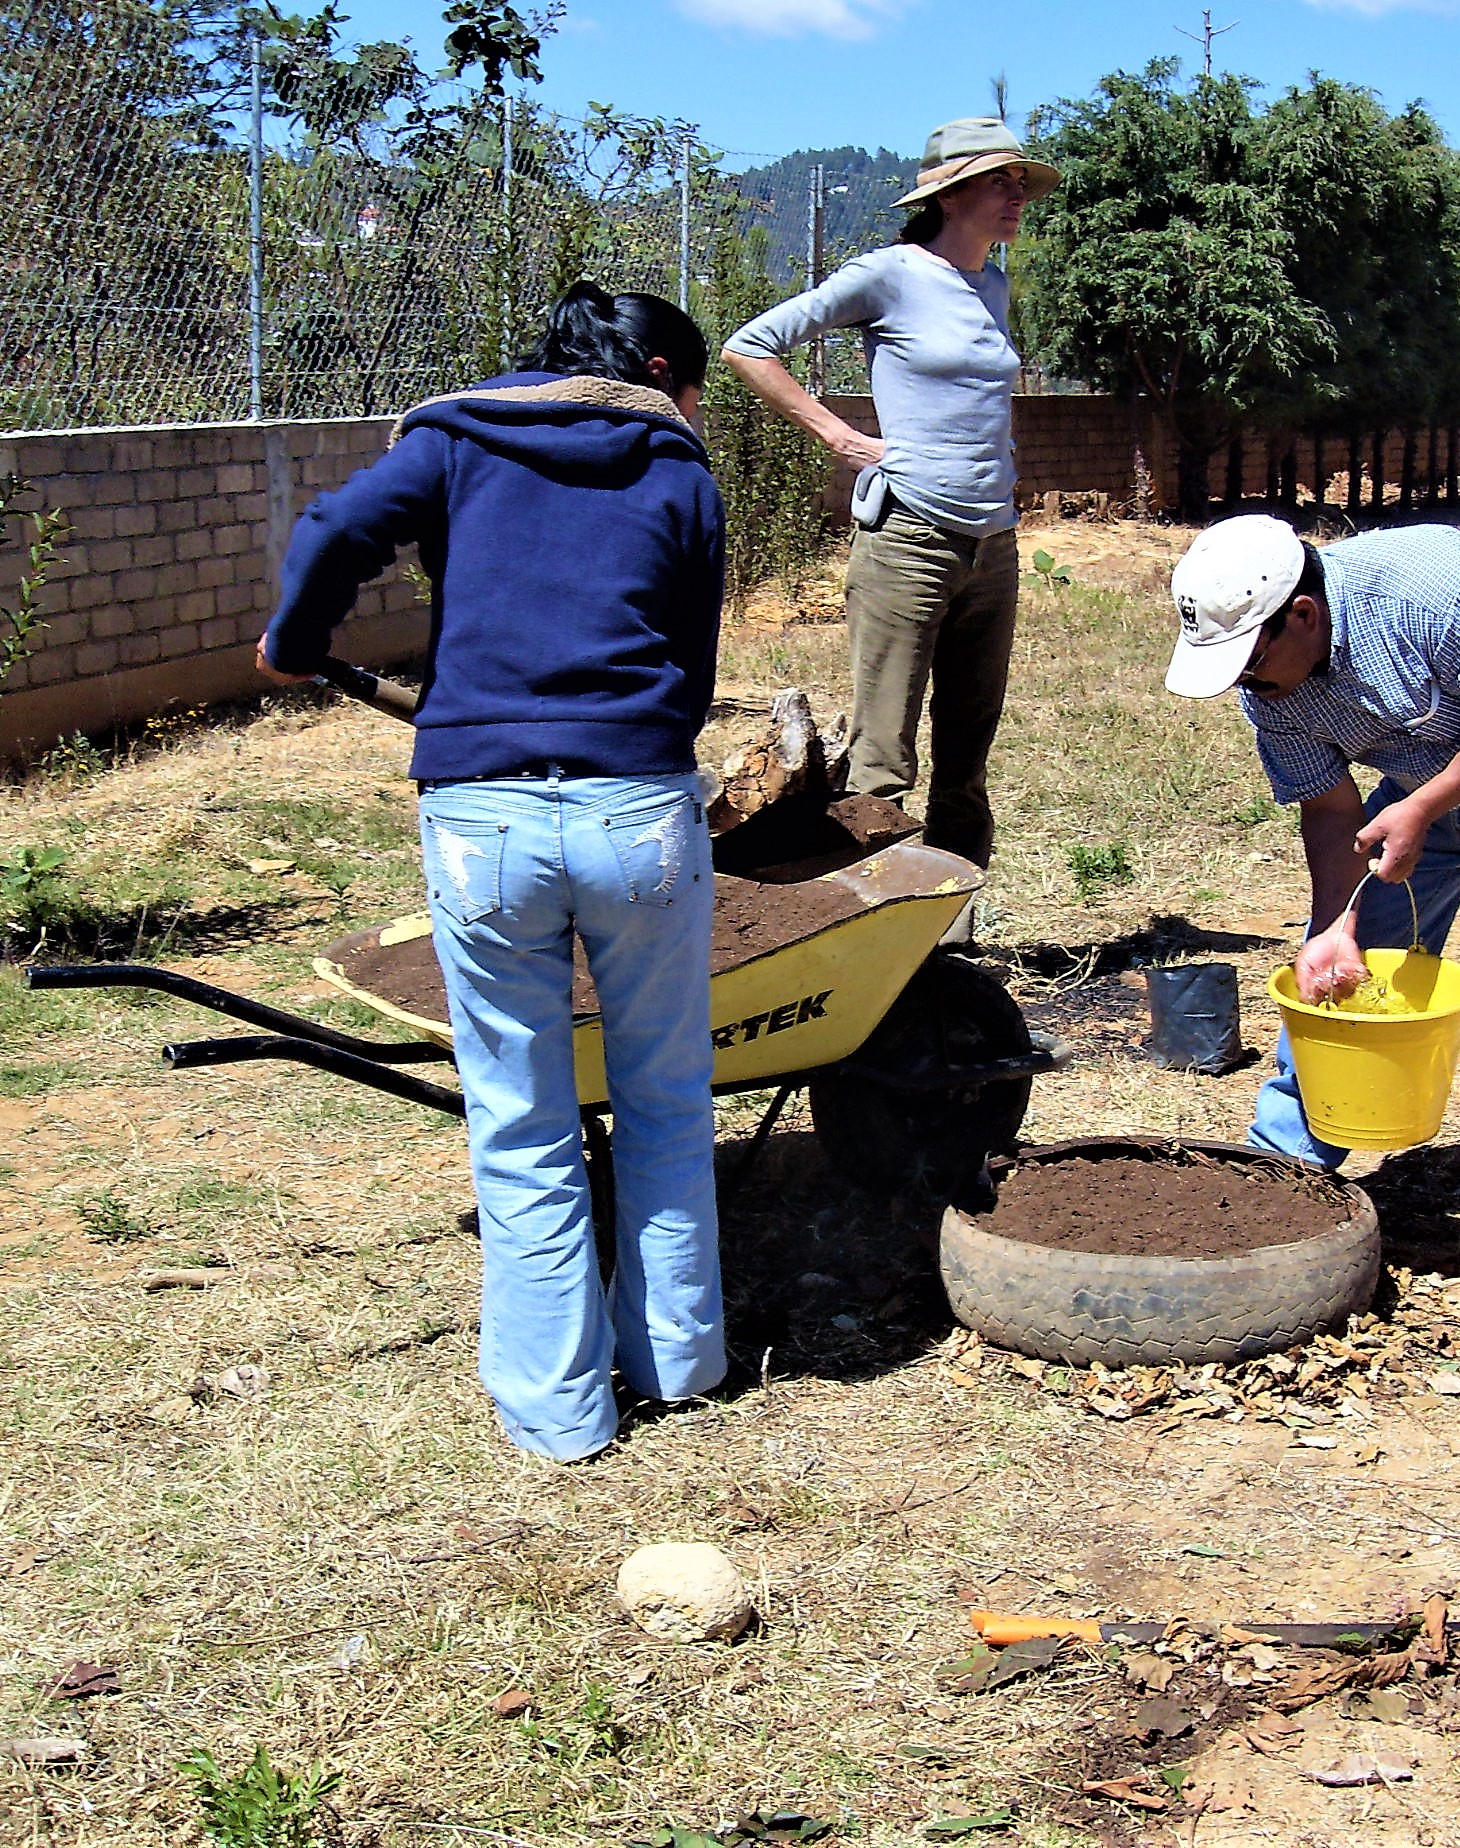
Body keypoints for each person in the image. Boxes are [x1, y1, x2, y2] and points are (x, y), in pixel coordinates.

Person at [256, 284, 729, 1462]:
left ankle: (559, 1414)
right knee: (666, 1096)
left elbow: (330, 532)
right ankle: (677, 1363)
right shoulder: (679, 469)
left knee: (521, 1120)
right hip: (638, 810)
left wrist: (294, 644)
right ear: (661, 370)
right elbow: (691, 660)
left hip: (485, 820)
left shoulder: (455, 440)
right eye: (693, 387)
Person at [1165, 515, 1460, 1327]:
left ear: (1302, 615)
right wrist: (1331, 928)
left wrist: (1422, 809)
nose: (1250, 687)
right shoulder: (1272, 686)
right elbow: (1331, 807)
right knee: (1337, 982)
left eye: (1255, 665)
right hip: (1417, 791)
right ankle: (1283, 1170)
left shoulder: (1425, 587)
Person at [720, 117, 1059, 870]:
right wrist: (839, 437)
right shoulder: (888, 274)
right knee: (883, 759)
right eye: (1000, 181)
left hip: (992, 546)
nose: (1016, 197)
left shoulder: (992, 285)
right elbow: (749, 345)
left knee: (967, 762)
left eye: (1019, 183)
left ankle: (950, 937)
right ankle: (874, 932)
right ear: (950, 193)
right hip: (908, 538)